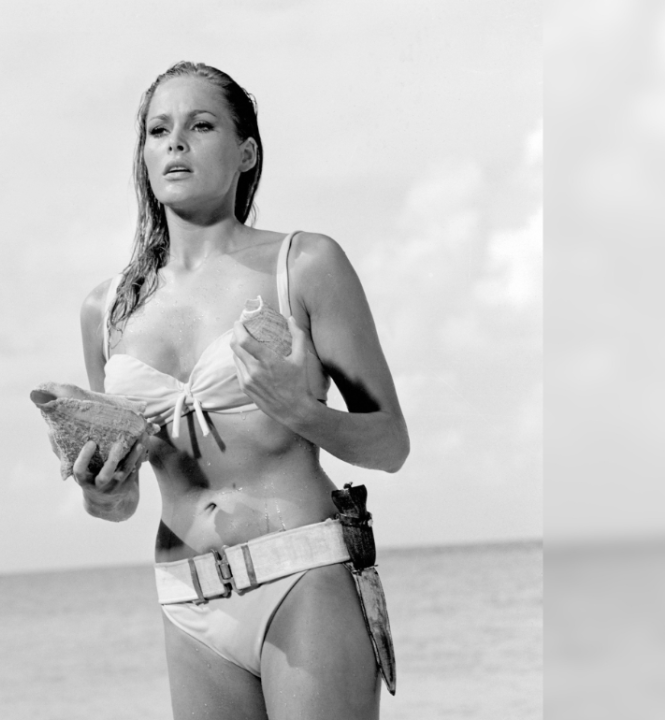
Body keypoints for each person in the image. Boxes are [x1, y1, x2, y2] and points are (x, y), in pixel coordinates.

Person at [69, 61, 409, 720]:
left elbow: (390, 444)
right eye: (159, 130)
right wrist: (99, 491)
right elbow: (118, 504)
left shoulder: (305, 265)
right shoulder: (105, 310)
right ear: (143, 156)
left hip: (302, 578)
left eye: (201, 125)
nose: (176, 143)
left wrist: (301, 411)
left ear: (246, 151)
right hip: (187, 597)